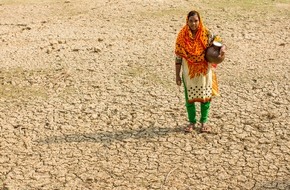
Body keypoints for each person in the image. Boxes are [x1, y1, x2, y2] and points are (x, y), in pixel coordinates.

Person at [175, 10, 226, 133]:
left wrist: (223, 48)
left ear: (200, 21)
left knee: (206, 98)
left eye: (196, 21)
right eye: (191, 21)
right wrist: (177, 75)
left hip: (204, 71)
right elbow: (178, 57)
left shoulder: (206, 33)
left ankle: (204, 122)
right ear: (187, 21)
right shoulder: (182, 36)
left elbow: (219, 42)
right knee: (189, 99)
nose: (193, 24)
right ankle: (191, 122)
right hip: (189, 72)